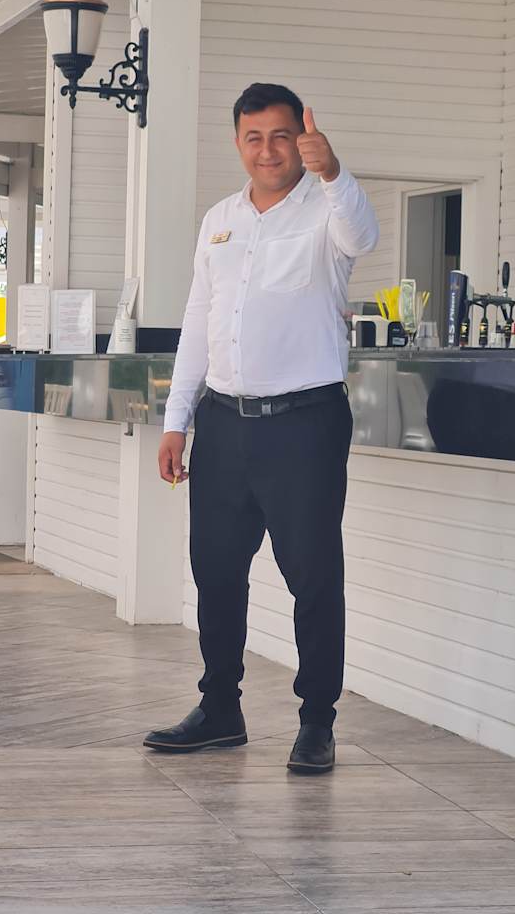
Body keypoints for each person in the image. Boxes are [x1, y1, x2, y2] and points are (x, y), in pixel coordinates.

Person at [143, 83, 379, 773]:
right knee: (215, 572)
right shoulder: (220, 219)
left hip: (304, 423)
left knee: (313, 576)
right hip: (223, 421)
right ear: (238, 142)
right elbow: (199, 321)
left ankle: (316, 722)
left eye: (281, 136)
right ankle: (220, 710)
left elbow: (363, 235)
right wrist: (176, 420)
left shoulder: (328, 209)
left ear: (302, 139)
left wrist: (334, 172)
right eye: (254, 137)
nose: (268, 150)